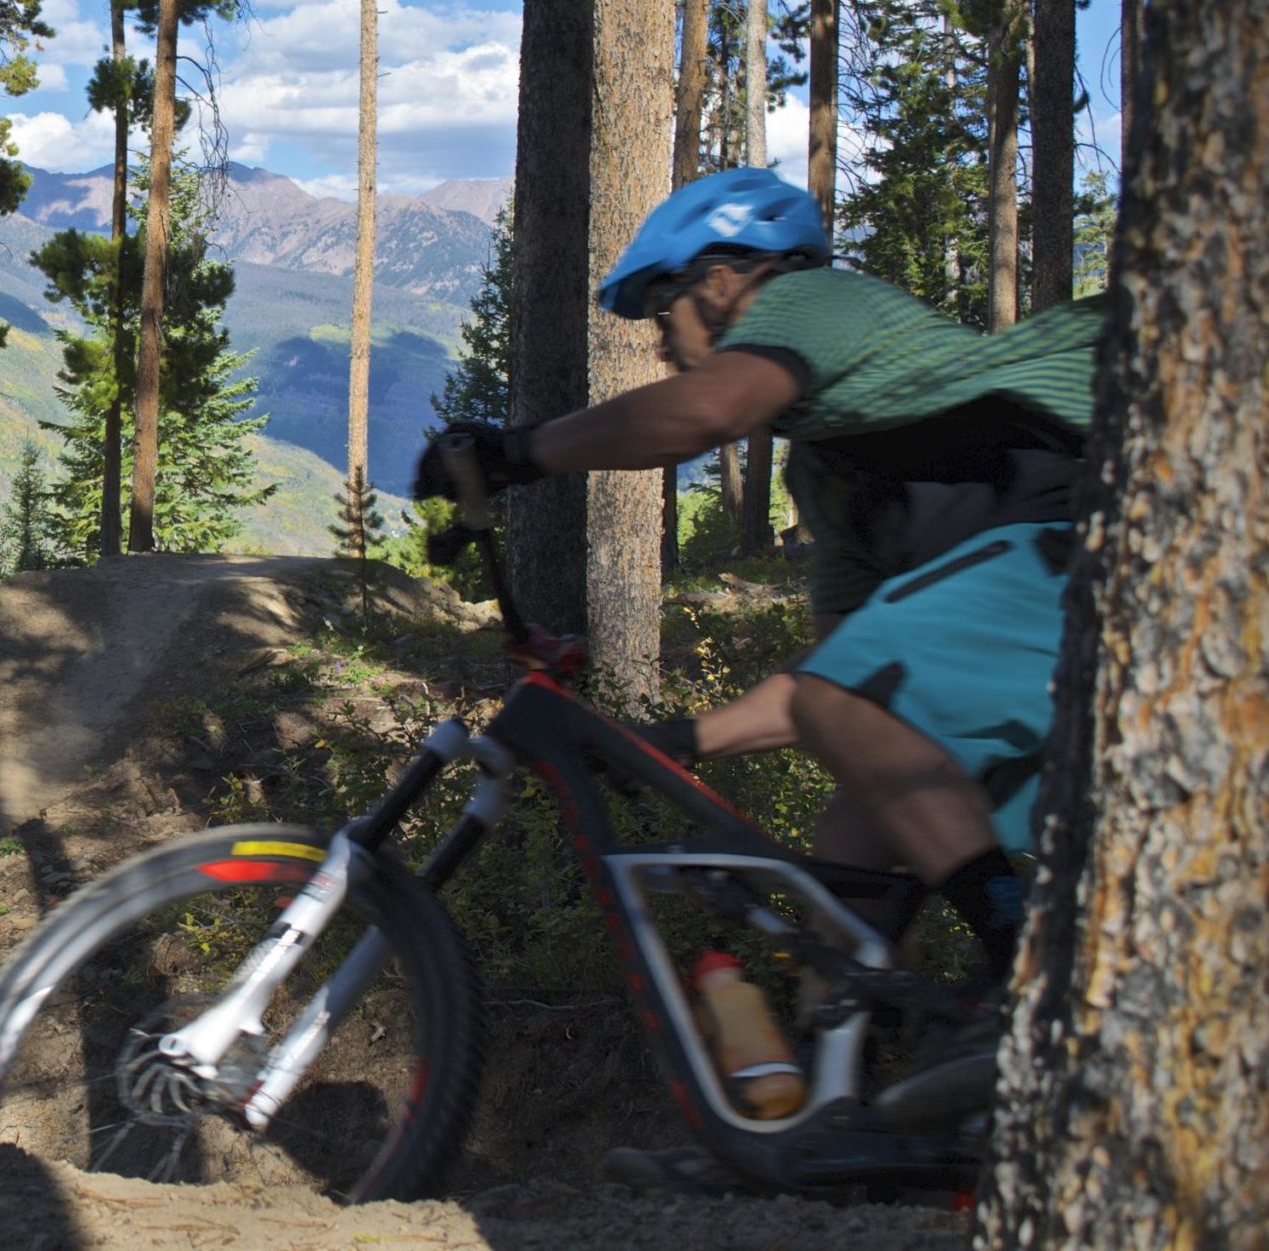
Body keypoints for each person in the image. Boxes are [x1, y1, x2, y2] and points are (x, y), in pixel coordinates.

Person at [414, 168, 1101, 1182]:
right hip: (1014, 613)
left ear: (729, 278)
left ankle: (1031, 988)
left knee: (851, 726)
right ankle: (819, 1130)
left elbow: (701, 413)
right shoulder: (826, 473)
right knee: (848, 844)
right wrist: (673, 743)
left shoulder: (812, 299)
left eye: (660, 304)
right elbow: (831, 677)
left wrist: (517, 452)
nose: (656, 336)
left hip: (1070, 554)